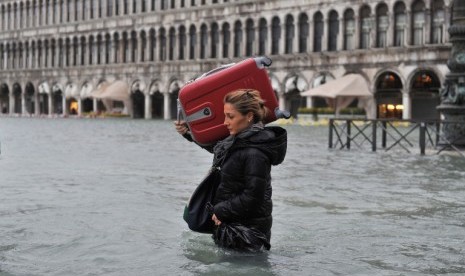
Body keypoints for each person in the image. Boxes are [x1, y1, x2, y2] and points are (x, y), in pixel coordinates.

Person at [175, 88, 287, 251]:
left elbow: (253, 196)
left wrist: (220, 210)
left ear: (249, 116)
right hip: (234, 228)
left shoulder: (255, 152)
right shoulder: (239, 141)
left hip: (248, 235)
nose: (225, 122)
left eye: (230, 116)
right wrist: (189, 134)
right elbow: (219, 150)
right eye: (225, 116)